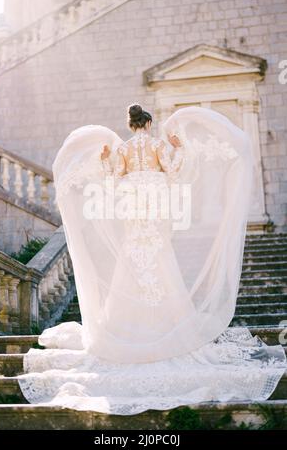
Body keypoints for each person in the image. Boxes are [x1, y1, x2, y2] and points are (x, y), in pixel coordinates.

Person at [17, 104, 286, 415]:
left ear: (131, 125)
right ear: (149, 123)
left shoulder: (126, 149)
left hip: (134, 205)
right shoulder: (158, 144)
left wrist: (105, 160)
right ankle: (168, 323)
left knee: (133, 254)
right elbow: (172, 172)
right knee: (158, 254)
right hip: (155, 205)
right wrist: (180, 148)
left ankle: (124, 326)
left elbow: (114, 179)